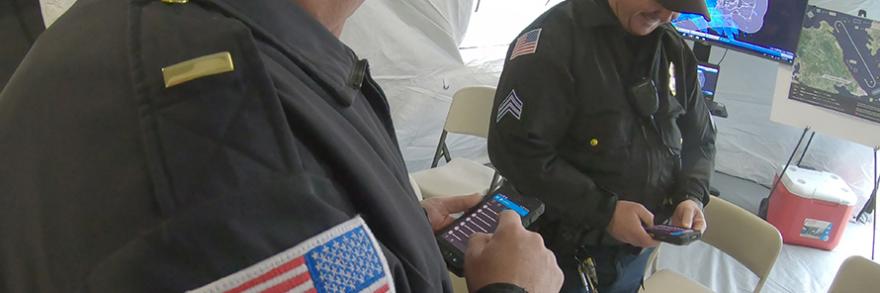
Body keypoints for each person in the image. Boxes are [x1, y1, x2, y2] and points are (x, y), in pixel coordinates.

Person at [0, 0, 563, 292]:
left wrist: (390, 232)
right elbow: (246, 212)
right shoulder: (232, 131)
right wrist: (512, 288)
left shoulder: (113, 27)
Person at [487, 0, 717, 292]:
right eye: (662, 0)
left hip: (634, 254)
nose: (668, 14)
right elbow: (514, 151)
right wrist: (605, 212)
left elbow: (702, 138)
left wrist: (691, 194)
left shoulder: (671, 48)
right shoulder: (552, 41)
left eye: (678, 6)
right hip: (558, 257)